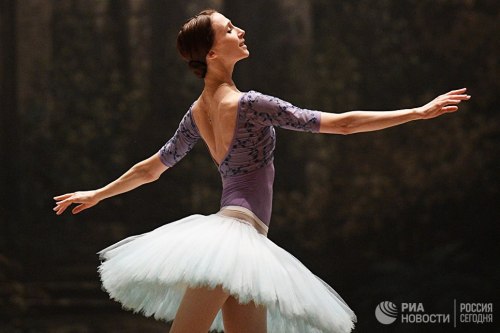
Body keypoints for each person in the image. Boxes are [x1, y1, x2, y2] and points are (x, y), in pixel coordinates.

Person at [53, 9, 470, 333]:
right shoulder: (251, 105)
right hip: (231, 238)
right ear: (213, 53)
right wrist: (418, 112)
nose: (241, 32)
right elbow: (341, 123)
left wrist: (97, 194)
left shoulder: (197, 112)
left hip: (246, 243)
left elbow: (151, 169)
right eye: (230, 29)